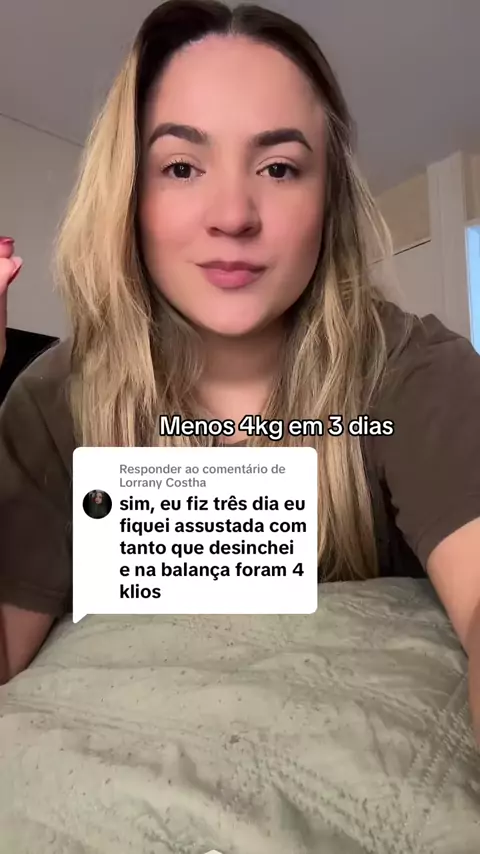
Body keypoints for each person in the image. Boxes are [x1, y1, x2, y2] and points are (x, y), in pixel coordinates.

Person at [0, 0, 479, 740]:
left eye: (279, 167)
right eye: (181, 167)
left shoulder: (413, 372)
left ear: (329, 200)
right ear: (129, 195)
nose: (232, 214)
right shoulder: (50, 404)